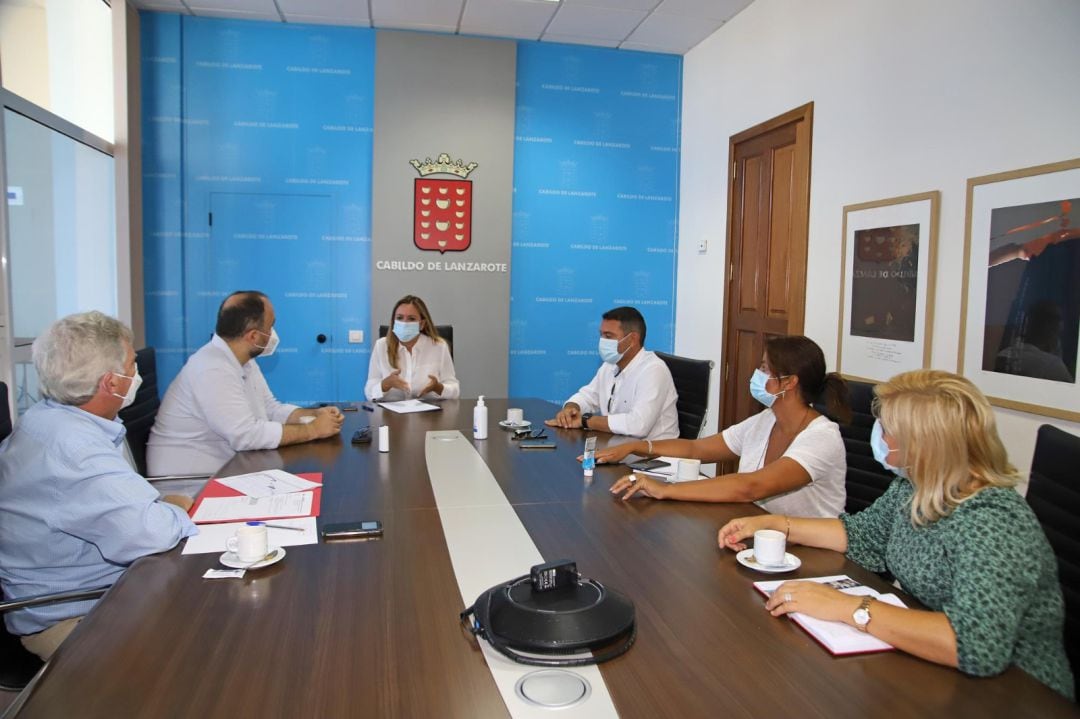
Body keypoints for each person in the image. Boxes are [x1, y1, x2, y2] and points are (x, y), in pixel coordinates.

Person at [718, 370, 1074, 700]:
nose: (879, 436)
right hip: (930, 665)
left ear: (927, 445)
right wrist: (777, 523)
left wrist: (845, 608)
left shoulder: (993, 521)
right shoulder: (913, 487)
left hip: (1016, 693)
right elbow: (861, 536)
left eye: (887, 428)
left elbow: (974, 644)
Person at [0, 312, 197, 660]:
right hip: (71, 615)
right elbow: (150, 533)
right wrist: (175, 506)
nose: (137, 374)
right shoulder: (74, 448)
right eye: (132, 365)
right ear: (112, 382)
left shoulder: (43, 418)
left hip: (93, 591)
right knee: (201, 646)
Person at [604, 335, 849, 518]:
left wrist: (665, 490)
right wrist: (637, 446)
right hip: (762, 534)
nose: (757, 373)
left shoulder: (822, 437)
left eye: (764, 368)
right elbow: (696, 450)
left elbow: (751, 487)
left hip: (810, 553)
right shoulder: (766, 420)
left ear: (789, 383)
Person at [148, 291, 344, 475]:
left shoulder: (243, 360)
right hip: (192, 485)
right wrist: (313, 430)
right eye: (271, 326)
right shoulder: (211, 369)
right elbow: (246, 435)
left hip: (228, 468)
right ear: (253, 336)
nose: (273, 333)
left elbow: (270, 409)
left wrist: (312, 415)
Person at [546, 306, 678, 441]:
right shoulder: (610, 365)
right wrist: (571, 409)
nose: (602, 341)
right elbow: (587, 396)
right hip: (618, 446)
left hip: (654, 457)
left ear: (632, 339)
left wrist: (586, 421)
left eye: (608, 336)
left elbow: (638, 425)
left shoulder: (654, 370)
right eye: (601, 335)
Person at [365, 295, 459, 402]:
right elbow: (369, 392)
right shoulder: (381, 346)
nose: (404, 323)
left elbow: (454, 389)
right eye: (400, 318)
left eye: (411, 319)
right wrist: (385, 384)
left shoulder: (439, 347)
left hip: (428, 415)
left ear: (422, 324)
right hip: (390, 415)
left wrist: (438, 387)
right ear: (394, 321)